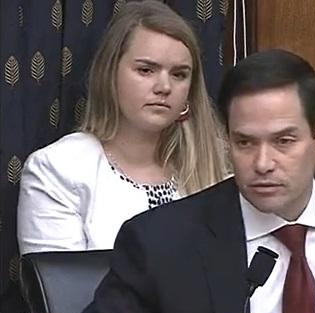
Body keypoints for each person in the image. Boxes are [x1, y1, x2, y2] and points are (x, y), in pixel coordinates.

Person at [77, 49, 315, 313]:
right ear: (227, 142)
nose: (263, 163)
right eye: (245, 143)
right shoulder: (161, 242)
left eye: (283, 141)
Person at [17, 0, 228, 254]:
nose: (164, 87)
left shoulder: (217, 165)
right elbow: (63, 289)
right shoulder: (59, 171)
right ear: (109, 74)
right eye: (146, 70)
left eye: (179, 74)